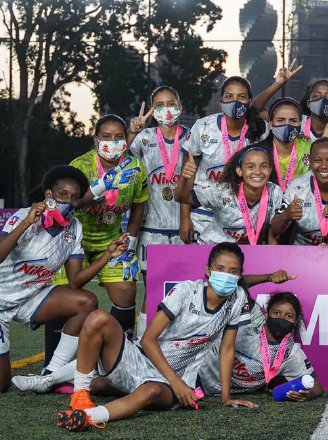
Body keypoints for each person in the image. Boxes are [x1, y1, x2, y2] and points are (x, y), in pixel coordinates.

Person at [55, 243, 255, 432]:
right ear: (208, 271)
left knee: (150, 393)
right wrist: (177, 383)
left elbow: (227, 348)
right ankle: (80, 395)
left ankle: (89, 417)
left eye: (233, 271)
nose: (226, 275)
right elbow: (147, 340)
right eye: (220, 268)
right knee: (98, 318)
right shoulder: (186, 291)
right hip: (142, 359)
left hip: (174, 379)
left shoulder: (237, 298)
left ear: (239, 275)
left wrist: (225, 397)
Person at [0, 167, 124, 393]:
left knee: (85, 301)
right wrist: (26, 223)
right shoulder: (24, 216)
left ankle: (50, 375)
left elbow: (75, 281)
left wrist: (107, 254)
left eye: (75, 197)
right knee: (2, 385)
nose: (69, 202)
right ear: (48, 195)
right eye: (62, 195)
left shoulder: (74, 228)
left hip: (30, 299)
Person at [65, 114, 149, 339]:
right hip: (74, 241)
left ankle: (120, 351)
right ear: (95, 140)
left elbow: (139, 206)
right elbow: (70, 205)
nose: (112, 142)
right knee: (64, 295)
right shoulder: (79, 166)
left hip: (111, 240)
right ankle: (52, 364)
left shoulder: (136, 168)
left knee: (126, 290)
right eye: (106, 136)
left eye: (118, 137)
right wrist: (97, 189)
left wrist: (130, 241)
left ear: (125, 139)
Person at [127, 85, 190, 339]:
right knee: (153, 291)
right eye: (160, 105)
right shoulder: (144, 138)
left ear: (180, 107)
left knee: (185, 292)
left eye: (171, 103)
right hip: (151, 230)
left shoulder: (193, 136)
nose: (167, 109)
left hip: (185, 228)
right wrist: (132, 132)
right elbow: (121, 161)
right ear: (153, 111)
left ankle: (177, 346)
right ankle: (144, 345)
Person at [181, 76, 267, 243]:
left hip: (242, 219)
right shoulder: (203, 126)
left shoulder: (259, 130)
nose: (234, 101)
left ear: (250, 101)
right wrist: (184, 218)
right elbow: (187, 176)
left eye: (241, 96)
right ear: (221, 101)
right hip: (203, 216)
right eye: (229, 96)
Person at [198, 292, 323, 401]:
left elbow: (317, 387)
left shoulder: (291, 353)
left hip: (218, 395)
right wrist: (267, 277)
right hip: (197, 376)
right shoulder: (251, 321)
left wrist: (308, 394)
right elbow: (239, 286)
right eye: (277, 313)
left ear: (295, 322)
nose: (282, 319)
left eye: (289, 316)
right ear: (267, 314)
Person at [174, 146, 283, 245]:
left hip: (245, 253)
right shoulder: (222, 192)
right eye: (250, 167)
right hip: (211, 247)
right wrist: (184, 178)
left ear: (270, 170)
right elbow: (181, 197)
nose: (258, 172)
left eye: (264, 166)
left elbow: (273, 231)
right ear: (239, 171)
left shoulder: (274, 192)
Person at [271, 138, 328, 250]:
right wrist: (286, 215)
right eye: (318, 160)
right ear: (309, 160)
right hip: (303, 253)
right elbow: (274, 229)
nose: (324, 166)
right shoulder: (296, 188)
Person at [257, 97, 312, 191]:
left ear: (300, 124)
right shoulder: (258, 152)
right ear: (270, 124)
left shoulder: (311, 148)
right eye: (280, 120)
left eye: (293, 120)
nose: (287, 125)